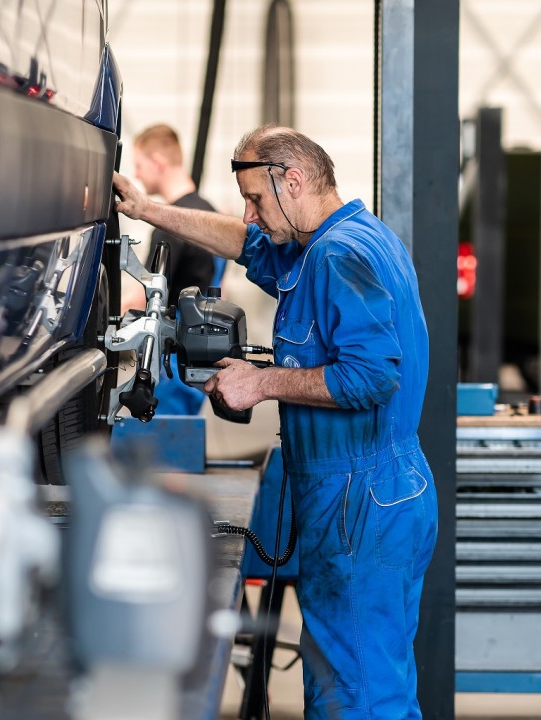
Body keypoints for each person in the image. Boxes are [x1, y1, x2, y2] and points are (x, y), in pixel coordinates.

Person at [112, 125, 438, 718]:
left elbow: (370, 377)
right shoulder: (334, 240)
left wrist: (259, 383)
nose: (250, 213)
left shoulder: (341, 257)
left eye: (256, 199)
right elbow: (243, 243)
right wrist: (150, 210)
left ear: (293, 179)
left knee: (360, 691)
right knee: (357, 674)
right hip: (371, 491)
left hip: (359, 499)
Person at [128, 124, 223, 414]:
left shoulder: (171, 226)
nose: (137, 175)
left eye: (140, 166)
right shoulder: (212, 215)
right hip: (200, 358)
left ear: (158, 162)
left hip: (169, 362)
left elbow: (141, 299)